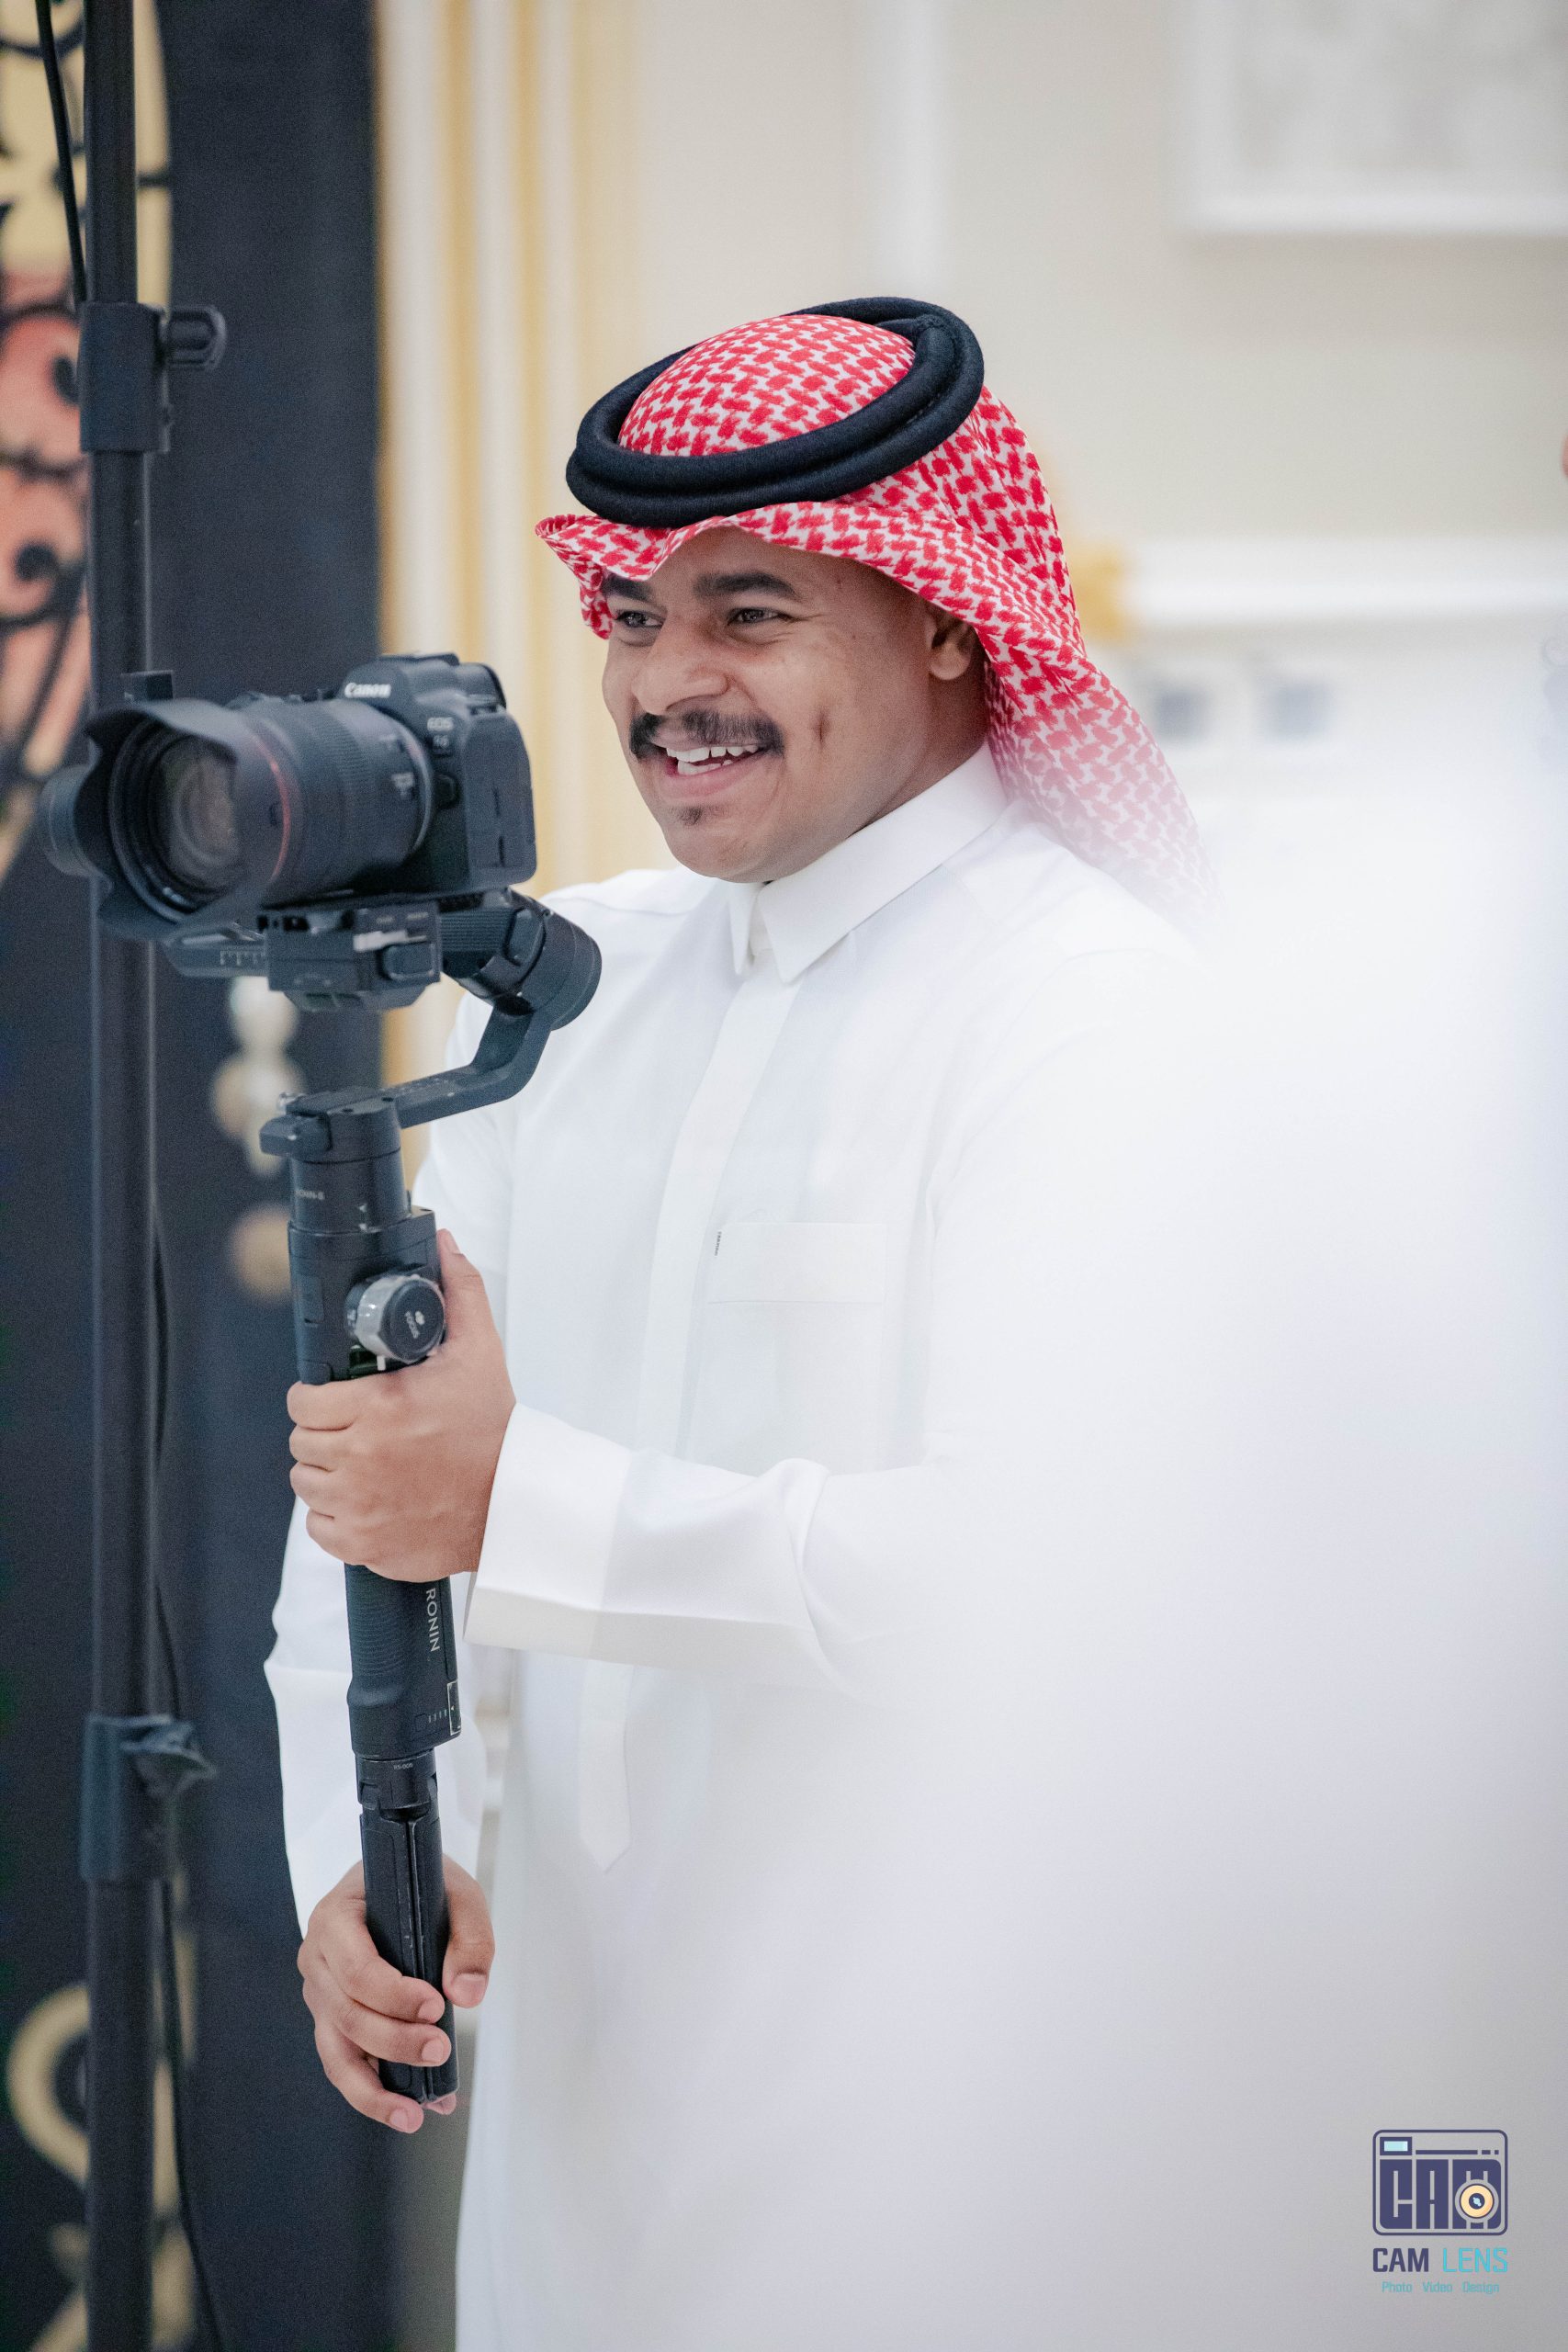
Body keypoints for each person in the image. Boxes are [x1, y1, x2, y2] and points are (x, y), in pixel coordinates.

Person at [266, 300, 1212, 2351]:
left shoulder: (1091, 1011)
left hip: (947, 2114)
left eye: (748, 613)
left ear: (942, 619)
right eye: (632, 614)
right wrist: (362, 1866)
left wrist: (519, 1504)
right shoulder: (569, 985)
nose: (664, 682)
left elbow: (1060, 1578)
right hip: (580, 2109)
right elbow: (372, 1498)